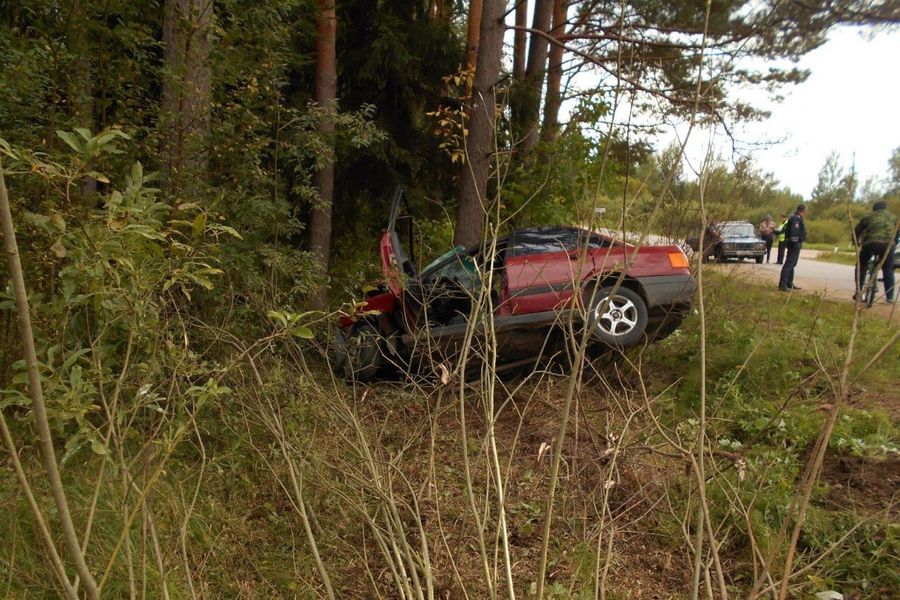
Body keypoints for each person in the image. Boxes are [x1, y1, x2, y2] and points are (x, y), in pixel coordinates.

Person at [853, 200, 897, 303]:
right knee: (888, 269)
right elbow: (897, 233)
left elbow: (857, 231)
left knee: (861, 265)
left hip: (870, 243)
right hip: (888, 245)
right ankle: (890, 297)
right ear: (886, 208)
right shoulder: (894, 218)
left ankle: (859, 292)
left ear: (874, 209)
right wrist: (894, 242)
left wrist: (855, 241)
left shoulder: (868, 217)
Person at [778, 204, 807, 291]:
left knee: (792, 264)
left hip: (795, 244)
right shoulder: (796, 218)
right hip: (794, 244)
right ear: (803, 210)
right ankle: (783, 284)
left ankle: (789, 283)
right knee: (789, 264)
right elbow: (794, 232)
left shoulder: (796, 218)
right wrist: (795, 244)